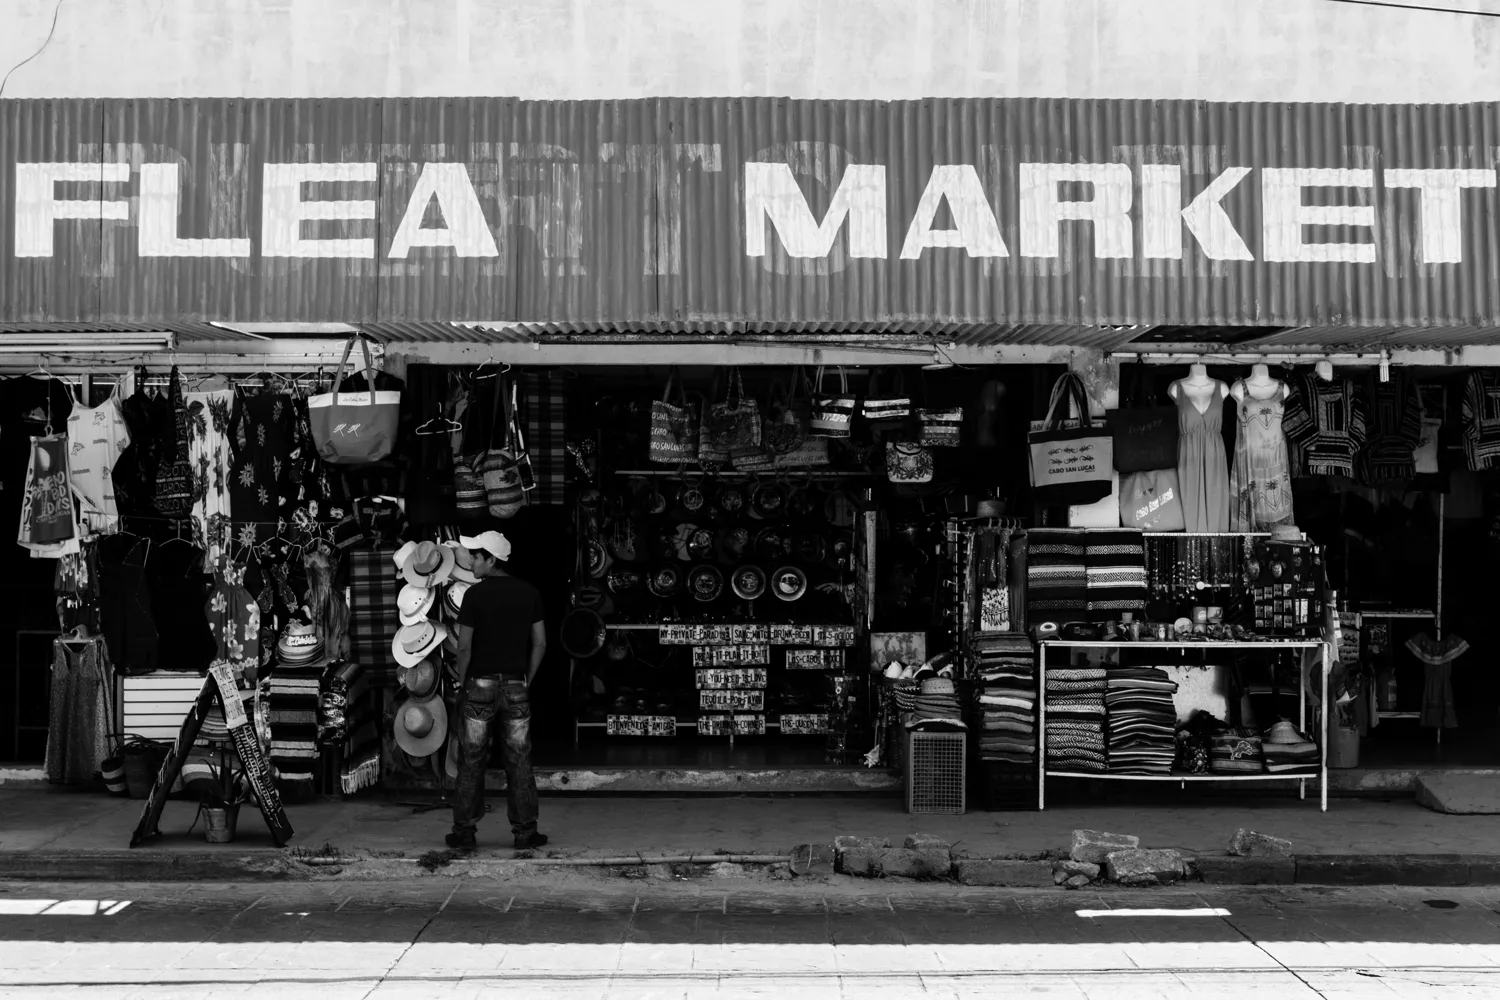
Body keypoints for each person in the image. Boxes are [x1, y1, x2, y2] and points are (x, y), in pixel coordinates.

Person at [446, 530, 548, 850]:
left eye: (476, 557)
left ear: (492, 560)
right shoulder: (529, 592)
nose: (471, 562)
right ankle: (525, 832)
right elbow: (540, 643)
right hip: (516, 685)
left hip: (479, 684)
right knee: (519, 760)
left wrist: (465, 684)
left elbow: (464, 647)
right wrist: (526, 678)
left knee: (471, 760)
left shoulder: (475, 595)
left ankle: (464, 832)